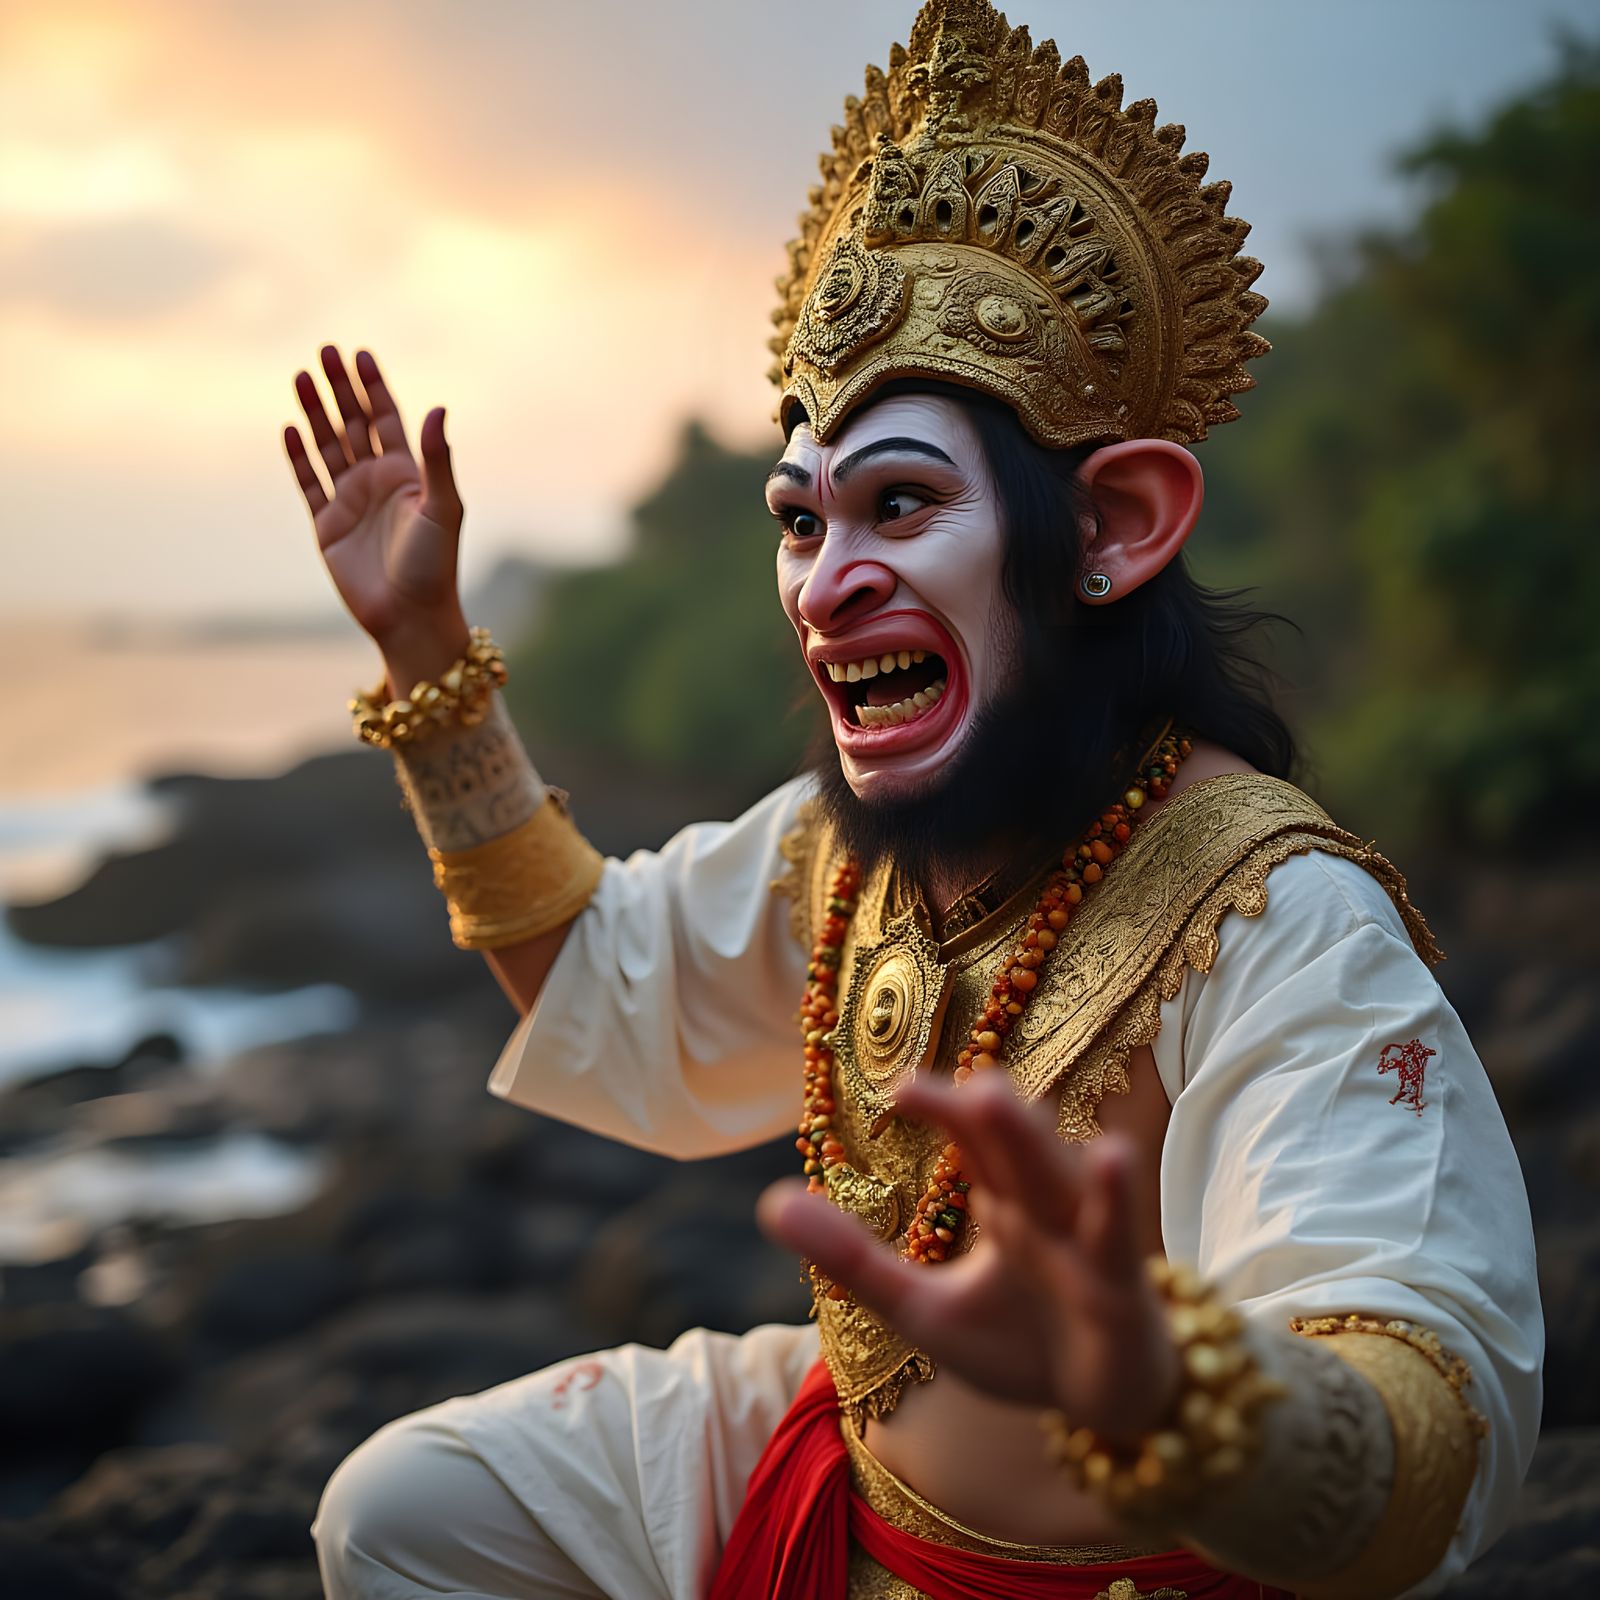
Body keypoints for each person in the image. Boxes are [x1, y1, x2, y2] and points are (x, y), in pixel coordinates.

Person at [283, 3, 1542, 1596]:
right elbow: (606, 984)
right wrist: (427, 653)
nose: (827, 584)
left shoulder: (1274, 918)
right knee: (400, 1515)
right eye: (801, 519)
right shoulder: (850, 853)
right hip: (839, 1479)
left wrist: (1160, 1382)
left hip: (1132, 1576)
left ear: (1116, 525)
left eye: (902, 502)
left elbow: (1433, 1423)